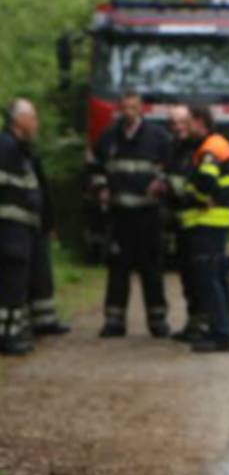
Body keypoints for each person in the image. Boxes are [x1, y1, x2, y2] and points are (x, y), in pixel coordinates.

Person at [89, 89, 171, 338]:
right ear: (119, 109)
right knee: (118, 269)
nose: (128, 113)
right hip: (119, 214)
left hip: (148, 214)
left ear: (142, 109)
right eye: (124, 108)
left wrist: (162, 184)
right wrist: (101, 186)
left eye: (133, 108)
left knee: (152, 270)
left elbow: (171, 167)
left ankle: (157, 321)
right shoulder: (108, 137)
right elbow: (94, 167)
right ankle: (114, 321)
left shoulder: (158, 137)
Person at [182, 105, 229, 353]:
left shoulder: (209, 150)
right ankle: (222, 330)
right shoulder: (221, 144)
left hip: (206, 220)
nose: (185, 128)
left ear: (199, 122)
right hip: (219, 219)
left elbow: (205, 183)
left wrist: (190, 191)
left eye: (187, 123)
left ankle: (220, 334)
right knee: (220, 277)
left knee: (210, 279)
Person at [157, 105, 204, 342]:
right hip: (179, 220)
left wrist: (169, 186)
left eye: (182, 123)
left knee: (200, 275)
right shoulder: (172, 149)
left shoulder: (200, 150)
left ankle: (203, 324)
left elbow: (196, 186)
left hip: (199, 221)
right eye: (173, 124)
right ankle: (192, 322)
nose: (178, 128)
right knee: (186, 275)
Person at [0, 98, 43, 355]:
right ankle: (8, 337)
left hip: (18, 230)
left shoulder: (18, 148)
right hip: (9, 232)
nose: (36, 124)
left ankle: (11, 333)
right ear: (20, 120)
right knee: (10, 286)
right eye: (33, 118)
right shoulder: (8, 149)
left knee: (14, 285)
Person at [27, 109, 70, 338]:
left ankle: (46, 320)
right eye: (33, 119)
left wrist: (49, 221)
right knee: (29, 275)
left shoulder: (29, 152)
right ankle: (36, 322)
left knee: (42, 274)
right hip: (24, 224)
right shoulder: (13, 150)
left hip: (37, 222)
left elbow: (42, 190)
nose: (37, 124)